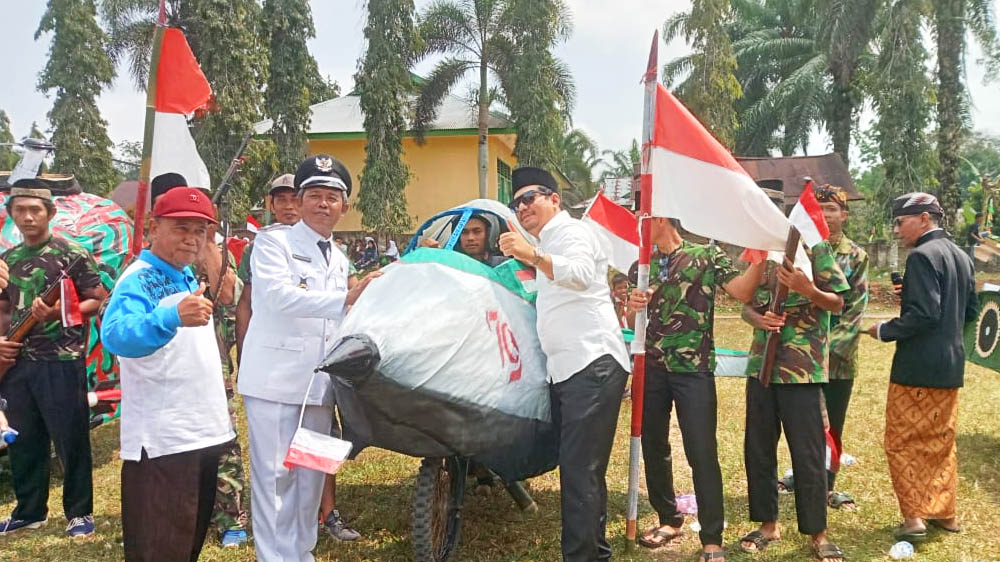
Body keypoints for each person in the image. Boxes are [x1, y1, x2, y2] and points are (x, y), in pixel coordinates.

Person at [239, 154, 380, 562]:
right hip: (275, 384)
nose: (323, 204)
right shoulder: (272, 243)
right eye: (314, 195)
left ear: (345, 206)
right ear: (298, 203)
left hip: (320, 389)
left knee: (312, 477)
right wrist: (345, 299)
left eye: (332, 197)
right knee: (275, 478)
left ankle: (303, 553)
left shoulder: (338, 257)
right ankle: (274, 557)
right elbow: (278, 298)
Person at [498, 166, 630, 562]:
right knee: (582, 470)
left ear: (554, 199)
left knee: (579, 471)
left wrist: (530, 253)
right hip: (572, 370)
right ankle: (594, 553)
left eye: (530, 198)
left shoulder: (569, 233)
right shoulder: (550, 241)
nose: (522, 207)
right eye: (516, 202)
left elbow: (581, 273)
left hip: (590, 365)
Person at [101, 187, 235, 561]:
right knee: (160, 547)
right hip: (163, 443)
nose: (192, 239)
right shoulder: (139, 279)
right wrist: (171, 316)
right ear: (154, 228)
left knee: (185, 540)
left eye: (200, 231)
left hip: (199, 434)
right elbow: (116, 335)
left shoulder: (183, 275)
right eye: (181, 228)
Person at [626, 217, 765, 560]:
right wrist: (631, 309)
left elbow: (742, 291)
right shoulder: (640, 265)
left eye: (643, 219)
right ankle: (669, 518)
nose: (637, 226)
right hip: (653, 368)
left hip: (694, 370)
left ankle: (712, 538)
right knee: (653, 446)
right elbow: (631, 324)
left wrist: (761, 256)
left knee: (701, 451)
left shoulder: (705, 255)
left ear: (660, 219)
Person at [0, 181, 108, 540]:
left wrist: (59, 311)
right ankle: (30, 511)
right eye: (20, 210)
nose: (27, 217)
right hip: (17, 361)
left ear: (50, 213)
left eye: (35, 210)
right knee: (24, 440)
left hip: (61, 360)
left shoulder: (71, 253)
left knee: (70, 438)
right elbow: (3, 309)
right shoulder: (9, 259)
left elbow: (96, 299)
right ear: (11, 213)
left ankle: (79, 512)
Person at [866, 192, 976, 541]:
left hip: (917, 368)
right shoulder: (961, 257)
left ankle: (913, 517)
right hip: (950, 366)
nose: (897, 230)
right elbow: (969, 312)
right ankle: (946, 513)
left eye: (901, 222)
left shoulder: (922, 257)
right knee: (940, 440)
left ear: (924, 219)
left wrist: (882, 329)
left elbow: (924, 315)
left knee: (902, 441)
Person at [739, 226, 849, 562]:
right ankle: (768, 524)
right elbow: (746, 305)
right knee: (758, 447)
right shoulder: (761, 250)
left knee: (808, 453)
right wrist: (757, 319)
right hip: (763, 366)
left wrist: (808, 289)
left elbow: (838, 302)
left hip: (802, 369)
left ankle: (818, 532)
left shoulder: (816, 249)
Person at [150, 172, 248, 547]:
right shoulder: (145, 258)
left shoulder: (207, 246)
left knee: (220, 439)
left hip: (209, 362)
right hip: (158, 365)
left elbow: (228, 295)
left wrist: (206, 238)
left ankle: (228, 516)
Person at [814, 185, 868, 511]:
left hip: (837, 362)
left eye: (831, 209)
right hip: (801, 360)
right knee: (805, 426)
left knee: (832, 425)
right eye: (819, 208)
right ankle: (808, 478)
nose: (824, 215)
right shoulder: (806, 250)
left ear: (844, 214)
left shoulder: (856, 256)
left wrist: (824, 351)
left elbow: (855, 312)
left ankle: (826, 487)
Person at [235, 174, 300, 363]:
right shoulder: (257, 248)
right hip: (271, 340)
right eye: (281, 200)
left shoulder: (321, 244)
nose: (289, 206)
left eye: (295, 199)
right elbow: (246, 303)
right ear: (272, 205)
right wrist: (242, 351)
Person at [420, 214, 508, 266]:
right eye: (464, 232)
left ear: (488, 234)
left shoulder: (503, 266)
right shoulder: (449, 266)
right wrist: (423, 258)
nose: (470, 238)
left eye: (477, 231)